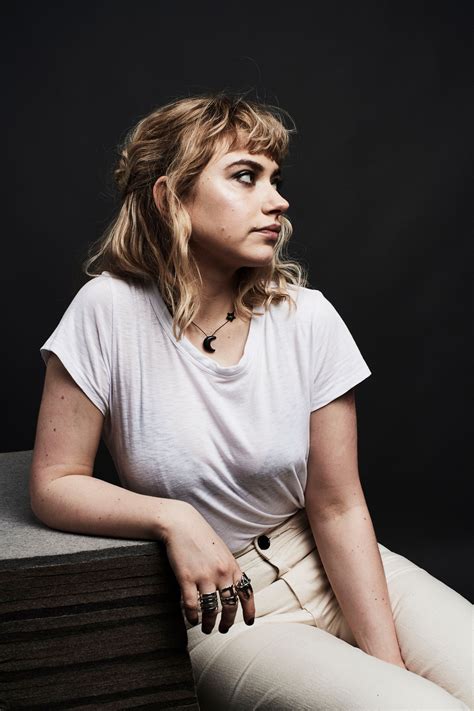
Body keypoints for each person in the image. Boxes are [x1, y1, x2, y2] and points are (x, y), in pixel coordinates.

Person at [30, 92, 472, 710]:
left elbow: (338, 507)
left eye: (275, 179)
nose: (278, 201)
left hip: (336, 567)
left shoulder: (307, 317)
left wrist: (386, 659)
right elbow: (55, 482)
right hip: (229, 608)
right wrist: (172, 518)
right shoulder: (107, 312)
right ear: (169, 197)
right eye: (246, 177)